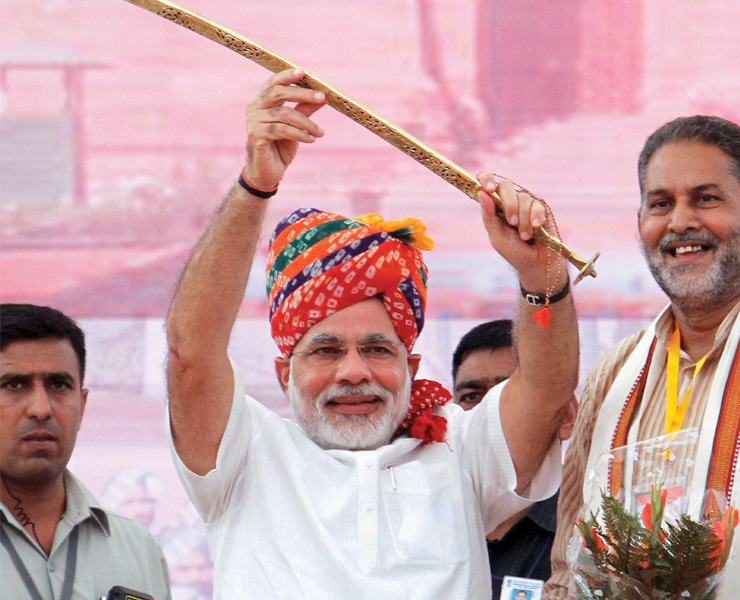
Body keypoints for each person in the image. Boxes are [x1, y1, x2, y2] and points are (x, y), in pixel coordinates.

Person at [166, 68, 579, 599]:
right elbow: (191, 353)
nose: (354, 371)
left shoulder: (460, 454)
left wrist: (542, 275)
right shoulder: (247, 455)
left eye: (377, 349)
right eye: (326, 350)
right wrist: (255, 184)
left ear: (410, 369)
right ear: (283, 372)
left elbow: (544, 391)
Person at [544, 116, 740, 600]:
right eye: (661, 204)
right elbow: (568, 570)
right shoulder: (615, 374)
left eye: (705, 198)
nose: (680, 221)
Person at [0, 303, 171, 600]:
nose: (41, 409)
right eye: (14, 384)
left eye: (59, 385)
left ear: (82, 406)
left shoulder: (137, 548)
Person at [452, 319, 575, 599]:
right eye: (472, 397)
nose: (488, 414)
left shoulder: (595, 533)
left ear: (566, 417)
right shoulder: (425, 518)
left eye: (512, 396)